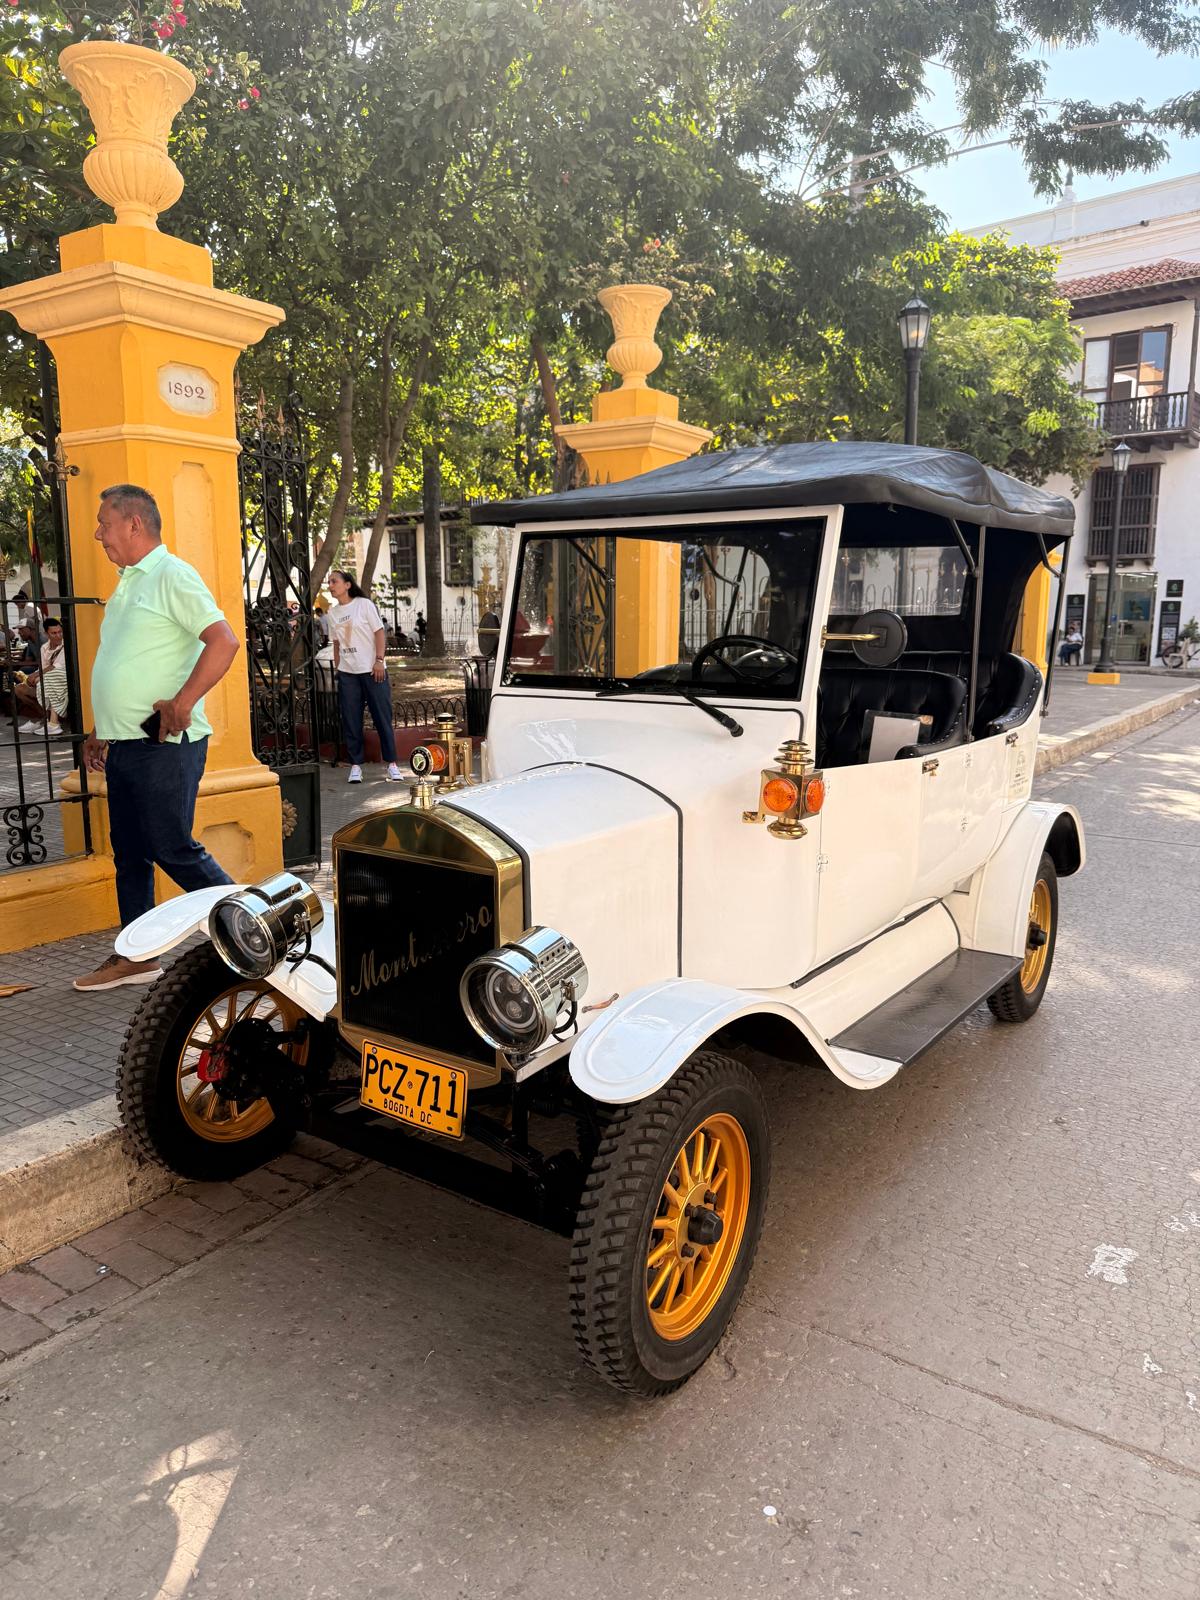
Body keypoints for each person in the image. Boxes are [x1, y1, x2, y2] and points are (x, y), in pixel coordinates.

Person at [73, 484, 241, 992]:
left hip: (165, 743)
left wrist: (185, 701)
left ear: (134, 524)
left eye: (104, 523)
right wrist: (101, 730)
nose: (98, 534)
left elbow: (224, 640)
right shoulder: (127, 585)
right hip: (126, 744)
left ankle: (258, 929)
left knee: (172, 847)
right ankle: (137, 956)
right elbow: (129, 663)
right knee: (130, 852)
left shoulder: (171, 574)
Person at [327, 570, 402, 785]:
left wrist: (379, 660)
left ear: (347, 584)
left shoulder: (364, 605)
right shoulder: (332, 613)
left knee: (382, 717)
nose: (331, 585)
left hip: (372, 671)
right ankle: (356, 766)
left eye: (334, 581)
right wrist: (339, 666)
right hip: (348, 674)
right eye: (329, 582)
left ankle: (392, 764)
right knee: (351, 720)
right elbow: (337, 642)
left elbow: (379, 632)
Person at [12, 616, 69, 737]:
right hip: (47, 679)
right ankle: (43, 719)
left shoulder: (65, 646)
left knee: (48, 679)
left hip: (61, 682)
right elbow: (43, 667)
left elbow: (56, 667)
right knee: (19, 689)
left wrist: (37, 675)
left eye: (60, 632)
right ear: (47, 634)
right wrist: (30, 677)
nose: (58, 636)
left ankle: (53, 723)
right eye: (54, 633)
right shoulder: (44, 647)